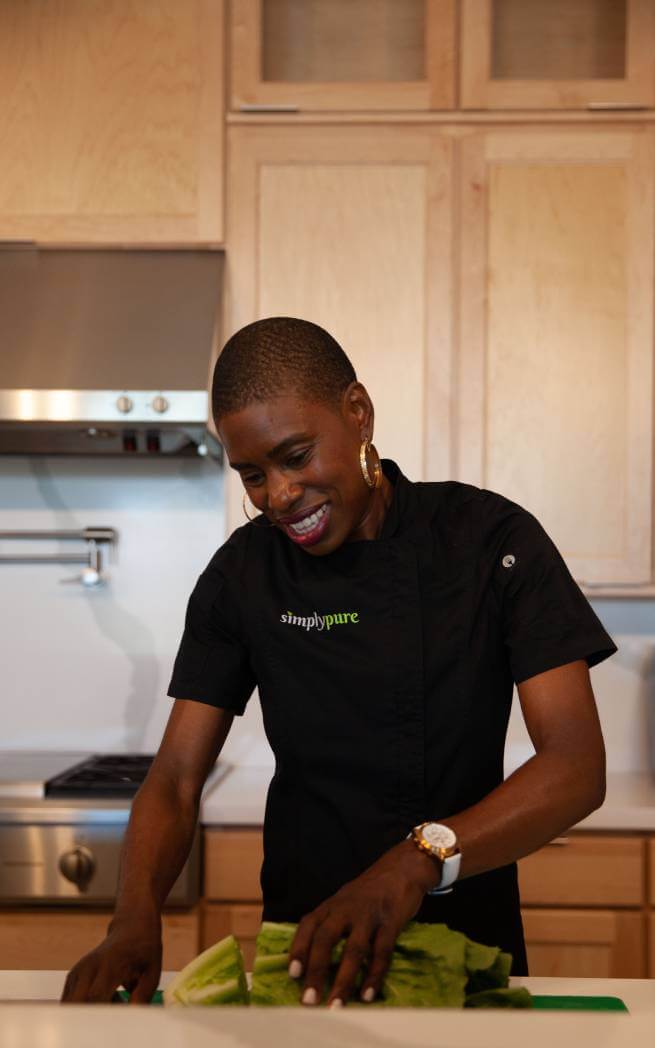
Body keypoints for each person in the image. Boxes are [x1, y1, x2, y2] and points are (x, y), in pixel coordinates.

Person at [62, 316, 616, 1006]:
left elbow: (575, 767)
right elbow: (175, 779)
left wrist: (415, 862)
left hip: (465, 951)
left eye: (295, 457)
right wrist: (133, 917)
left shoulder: (490, 544)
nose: (278, 496)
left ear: (358, 413)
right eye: (253, 475)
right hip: (305, 957)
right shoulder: (244, 575)